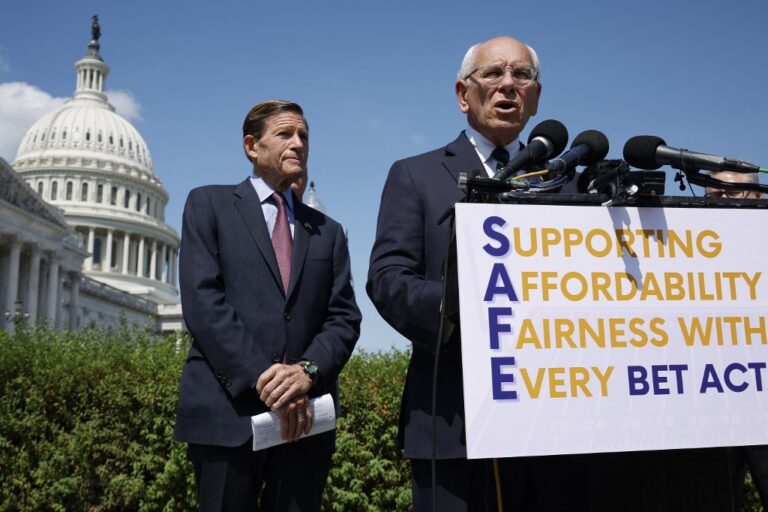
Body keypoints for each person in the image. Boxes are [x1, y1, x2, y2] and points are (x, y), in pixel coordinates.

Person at [367, 36, 585, 511]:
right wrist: (455, 306)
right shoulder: (415, 175)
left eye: (522, 75)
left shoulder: (567, 184)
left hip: (553, 425)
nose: (508, 84)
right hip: (452, 420)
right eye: (493, 73)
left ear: (536, 99)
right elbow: (387, 278)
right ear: (464, 93)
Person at [174, 99, 361, 511]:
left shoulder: (328, 233)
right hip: (228, 416)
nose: (298, 143)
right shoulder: (209, 205)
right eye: (285, 134)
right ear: (251, 146)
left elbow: (344, 317)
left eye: (304, 136)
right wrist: (268, 379)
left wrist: (306, 373)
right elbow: (204, 302)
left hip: (305, 422)